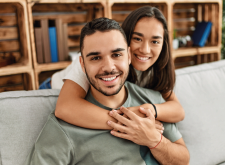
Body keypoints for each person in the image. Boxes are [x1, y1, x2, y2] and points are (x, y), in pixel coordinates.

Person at [24, 17, 189, 165]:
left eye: (117, 54)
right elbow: (64, 106)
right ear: (82, 64)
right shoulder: (63, 125)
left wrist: (154, 139)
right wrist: (125, 122)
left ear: (129, 56)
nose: (109, 67)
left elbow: (183, 158)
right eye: (95, 58)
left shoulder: (151, 97)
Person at [53, 6, 185, 130]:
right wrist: (131, 122)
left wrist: (149, 109)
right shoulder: (92, 62)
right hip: (53, 89)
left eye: (155, 41)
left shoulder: (154, 69)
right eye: (137, 39)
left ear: (163, 45)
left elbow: (178, 110)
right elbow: (65, 107)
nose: (145, 50)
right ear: (124, 39)